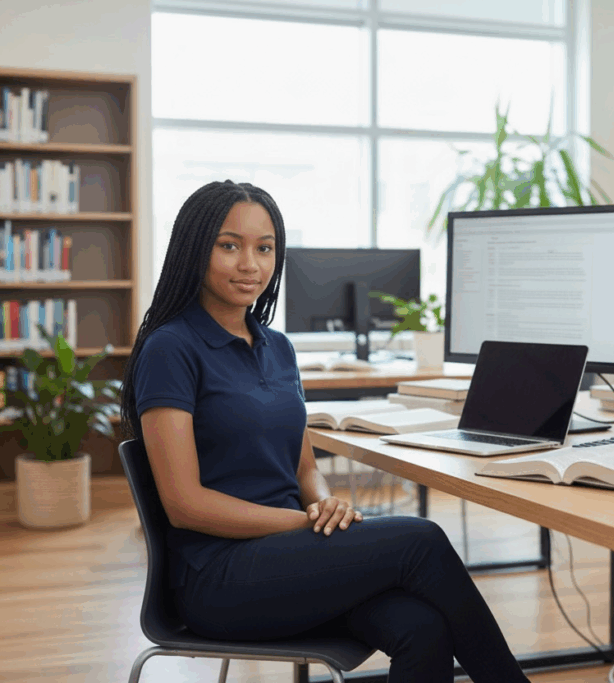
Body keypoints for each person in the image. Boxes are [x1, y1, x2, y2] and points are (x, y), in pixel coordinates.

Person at [120, 180, 532, 683]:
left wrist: (323, 504)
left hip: (289, 561)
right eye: (229, 245)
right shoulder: (171, 348)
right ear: (194, 249)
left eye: (264, 248)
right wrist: (301, 523)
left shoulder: (279, 348)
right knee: (421, 540)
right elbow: (185, 504)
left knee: (422, 627)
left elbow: (305, 468)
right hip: (219, 579)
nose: (250, 263)